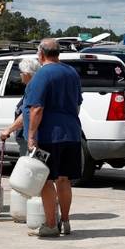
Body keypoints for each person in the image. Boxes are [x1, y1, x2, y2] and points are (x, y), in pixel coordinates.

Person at [24, 39, 83, 237]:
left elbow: (36, 108)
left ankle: (51, 224)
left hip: (49, 136)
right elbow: (77, 105)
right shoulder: (71, 73)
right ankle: (65, 221)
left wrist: (31, 136)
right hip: (72, 134)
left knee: (46, 180)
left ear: (41, 53)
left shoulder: (42, 74)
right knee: (64, 179)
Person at [0, 58, 42, 153]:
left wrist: (9, 130)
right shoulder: (33, 86)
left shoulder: (33, 88)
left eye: (21, 72)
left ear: (27, 73)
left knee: (30, 165)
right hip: (29, 136)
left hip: (31, 140)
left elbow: (28, 113)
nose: (20, 75)